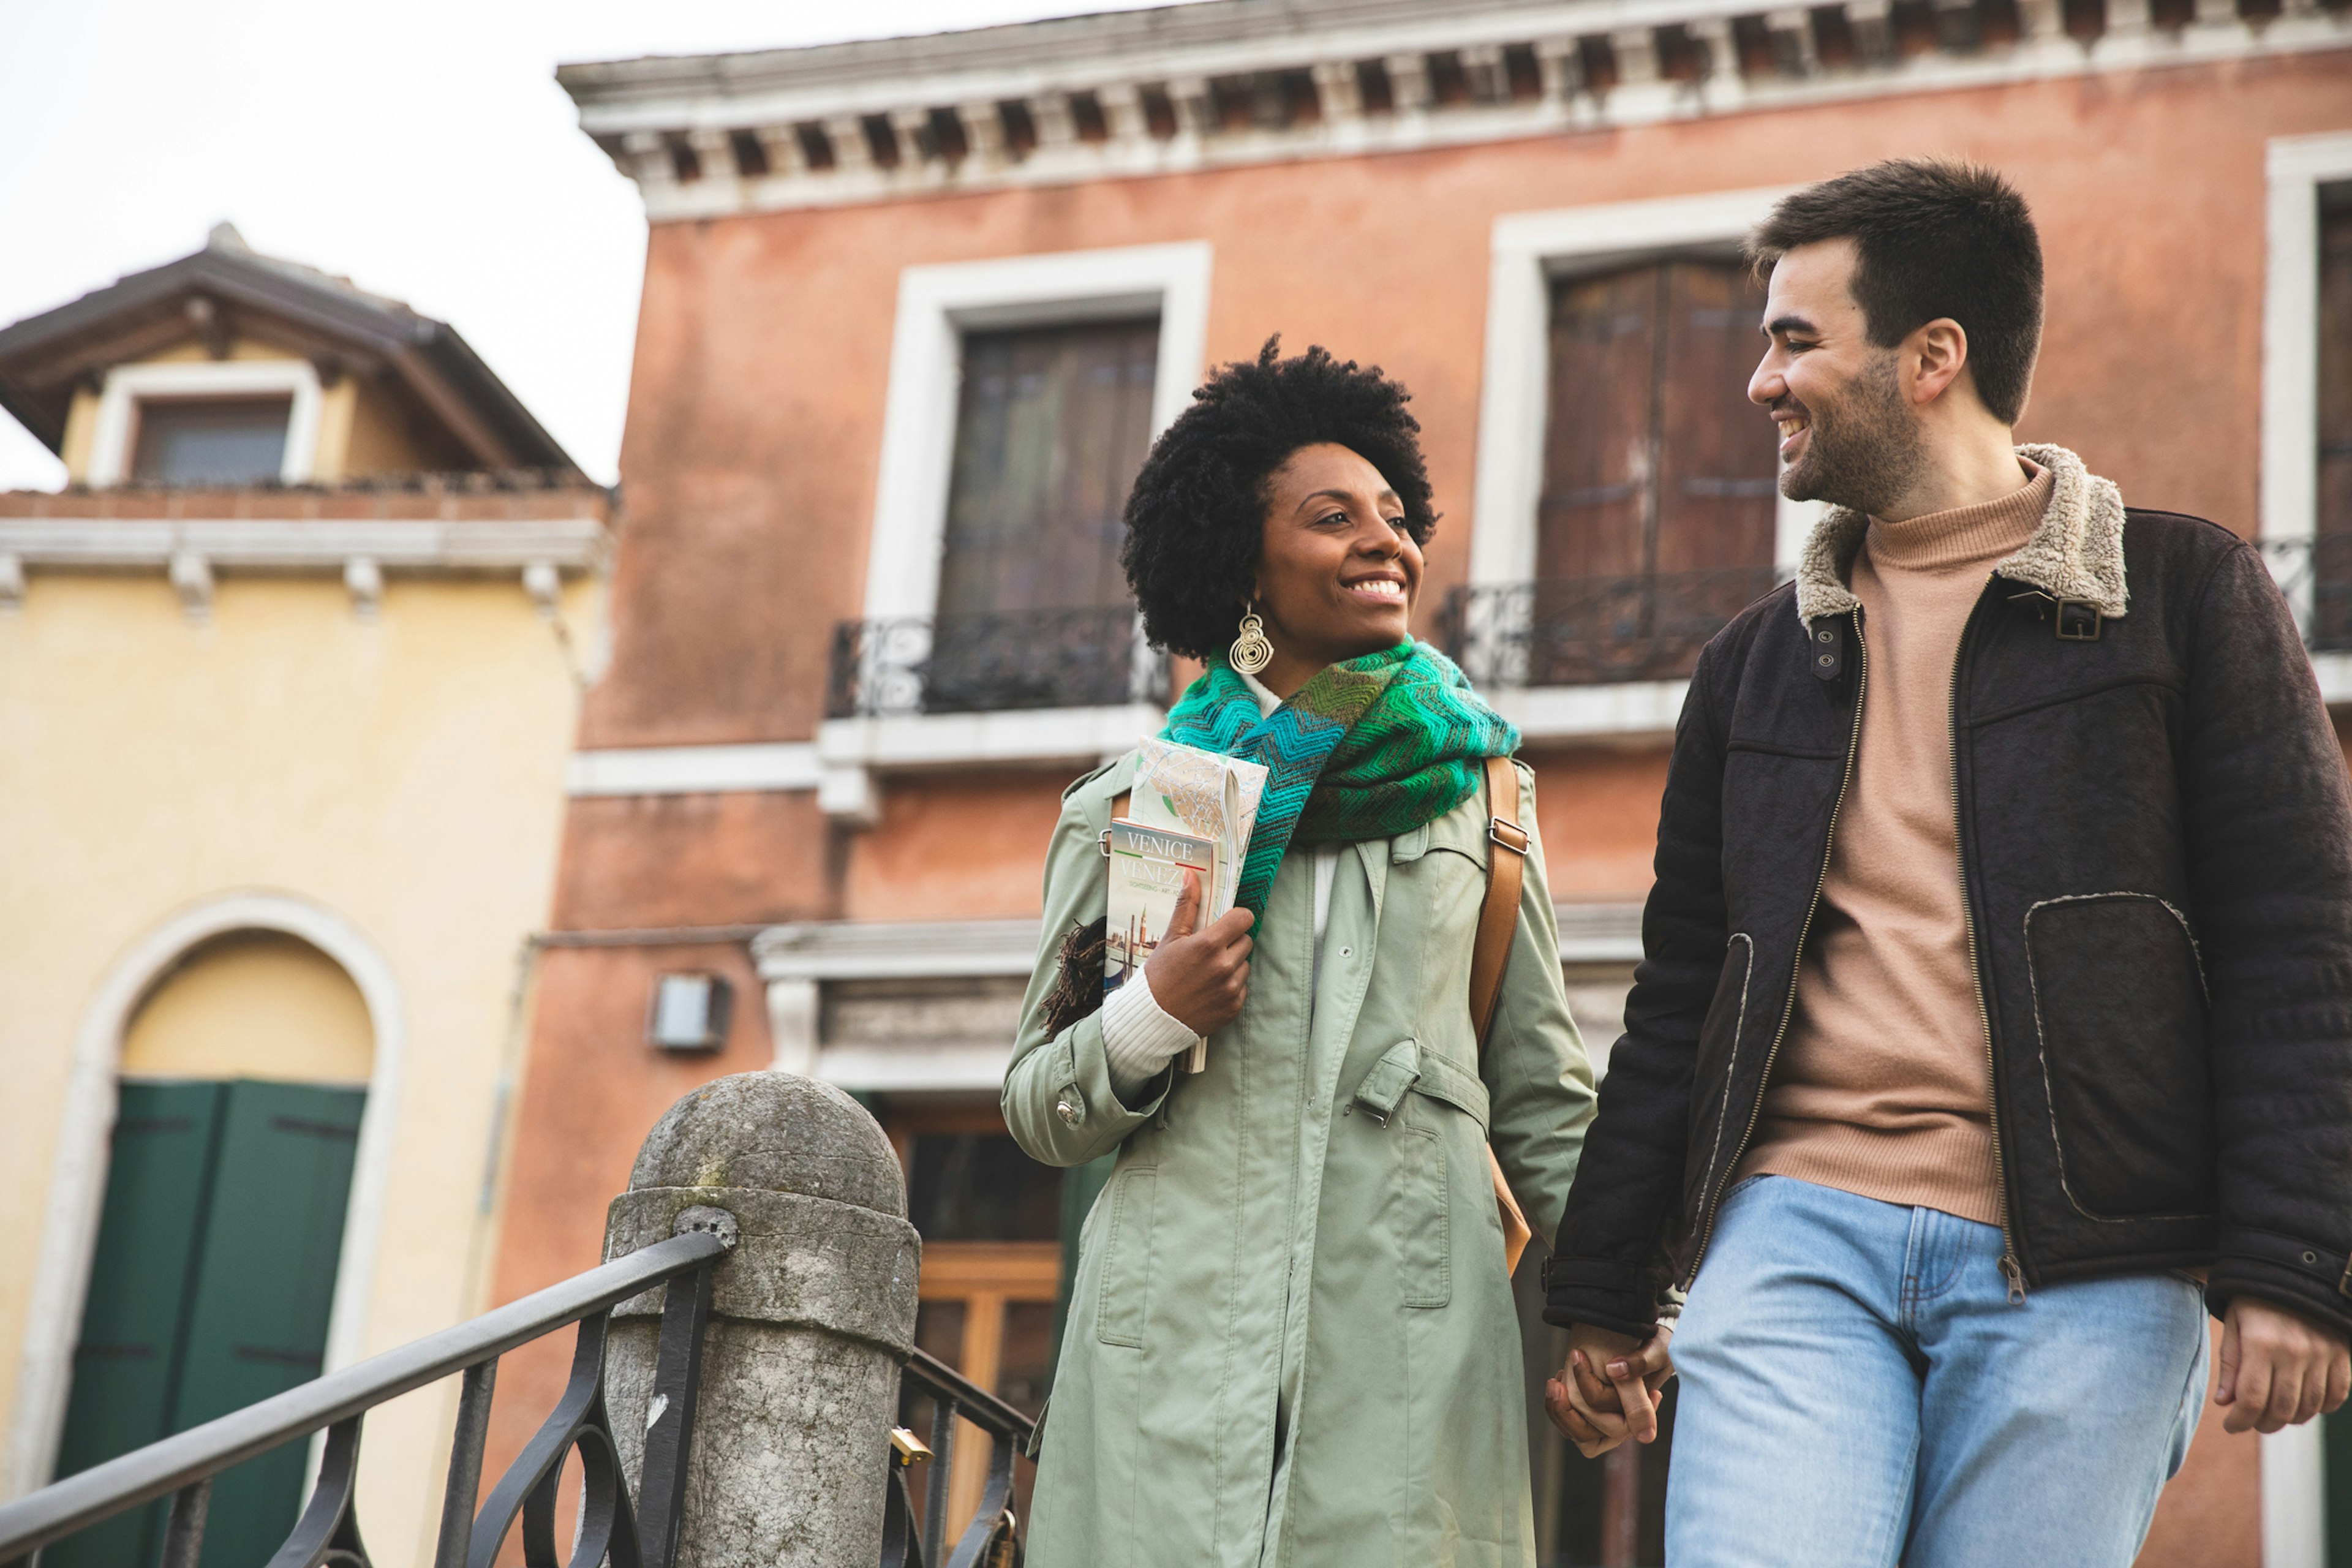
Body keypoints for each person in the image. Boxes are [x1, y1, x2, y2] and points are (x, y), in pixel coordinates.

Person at [1541, 159, 2352, 1565]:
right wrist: (1605, 1286)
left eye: (1795, 338)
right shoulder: (1755, 664)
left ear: (1933, 357)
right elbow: (1682, 993)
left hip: (2093, 1268)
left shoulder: (2183, 594)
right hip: (1796, 1232)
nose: (1758, 381)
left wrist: (2297, 1261)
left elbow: (2299, 940)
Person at [1003, 340, 1597, 1567]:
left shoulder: (1481, 803)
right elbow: (1037, 1105)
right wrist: (1147, 1014)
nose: (1385, 540)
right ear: (1244, 561)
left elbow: (1541, 1097)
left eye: (1395, 515)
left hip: (1412, 1367)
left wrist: (1620, 1311)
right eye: (1334, 518)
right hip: (1163, 1375)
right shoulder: (1150, 804)